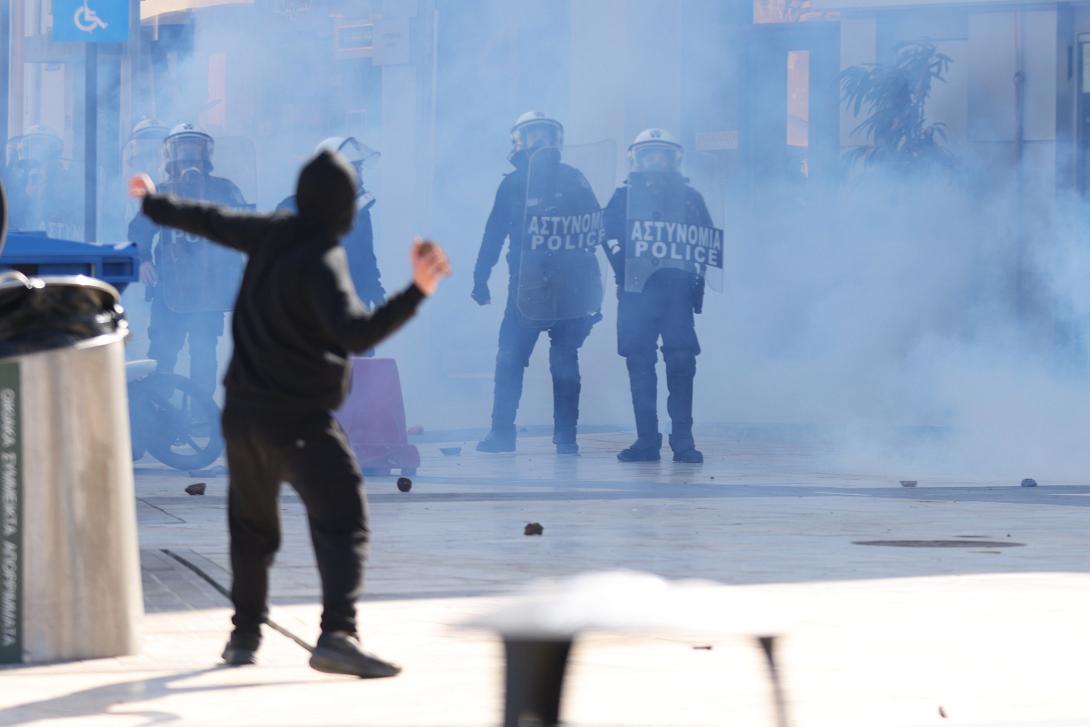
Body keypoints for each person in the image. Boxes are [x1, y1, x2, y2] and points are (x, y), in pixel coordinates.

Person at [128, 149, 451, 677]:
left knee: (252, 530)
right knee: (344, 517)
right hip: (298, 419)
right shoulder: (323, 258)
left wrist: (156, 203)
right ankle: (337, 635)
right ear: (343, 209)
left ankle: (244, 637)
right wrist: (417, 291)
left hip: (242, 416)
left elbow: (209, 220)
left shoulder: (270, 231)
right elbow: (356, 334)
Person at [472, 111, 603, 455]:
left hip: (570, 286)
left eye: (544, 135)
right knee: (509, 359)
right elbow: (494, 232)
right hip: (525, 286)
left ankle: (566, 437)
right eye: (532, 135)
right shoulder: (513, 184)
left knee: (564, 360)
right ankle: (502, 433)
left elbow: (596, 231)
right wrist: (480, 276)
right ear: (519, 141)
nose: (539, 142)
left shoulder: (575, 180)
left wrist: (595, 292)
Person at [603, 129, 714, 464]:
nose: (655, 161)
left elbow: (707, 239)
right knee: (640, 364)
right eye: (649, 154)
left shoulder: (690, 198)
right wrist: (622, 266)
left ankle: (683, 441)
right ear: (637, 159)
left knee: (681, 362)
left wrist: (698, 277)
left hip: (677, 293)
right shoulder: (622, 198)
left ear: (672, 160)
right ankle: (646, 441)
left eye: (661, 155)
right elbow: (605, 235)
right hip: (637, 292)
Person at [128, 123, 248, 399]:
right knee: (162, 355)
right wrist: (144, 259)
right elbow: (138, 231)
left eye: (195, 149)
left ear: (206, 154)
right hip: (169, 288)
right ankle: (159, 416)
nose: (189, 156)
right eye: (183, 149)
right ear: (171, 155)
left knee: (204, 355)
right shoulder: (161, 192)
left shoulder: (224, 190)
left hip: (210, 290)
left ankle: (201, 411)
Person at [278, 136, 386, 309]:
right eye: (353, 169)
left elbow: (366, 259)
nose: (359, 177)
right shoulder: (294, 208)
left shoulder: (359, 213)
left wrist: (376, 291)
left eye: (359, 169)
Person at [2, 125, 82, 239]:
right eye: (33, 146)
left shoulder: (66, 184)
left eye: (42, 146)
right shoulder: (16, 187)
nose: (37, 152)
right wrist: (31, 195)